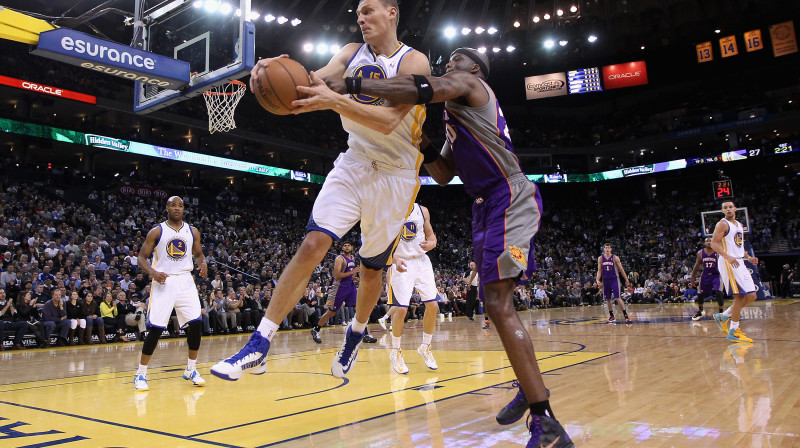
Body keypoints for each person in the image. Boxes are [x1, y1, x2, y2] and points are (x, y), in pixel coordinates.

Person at [308, 47, 572, 446]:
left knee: (498, 302)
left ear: (476, 70)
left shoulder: (470, 85)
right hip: (484, 205)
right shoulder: (457, 114)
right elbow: (445, 174)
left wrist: (350, 84)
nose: (450, 66)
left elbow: (422, 87)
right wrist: (423, 142)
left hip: (509, 197)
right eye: (448, 63)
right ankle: (531, 387)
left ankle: (544, 419)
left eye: (457, 61)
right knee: (496, 302)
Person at [211, 0, 431, 381]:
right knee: (313, 244)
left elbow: (389, 119)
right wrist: (273, 71)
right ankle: (259, 343)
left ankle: (357, 332)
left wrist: (335, 100)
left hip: (396, 177)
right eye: (358, 12)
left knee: (371, 267)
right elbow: (315, 82)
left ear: (392, 12)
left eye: (368, 10)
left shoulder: (414, 63)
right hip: (355, 161)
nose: (360, 18)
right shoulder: (350, 53)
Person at [134, 196, 209, 391]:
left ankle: (191, 369)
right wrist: (153, 272)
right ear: (167, 208)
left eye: (180, 205)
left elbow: (199, 253)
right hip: (164, 280)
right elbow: (141, 258)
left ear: (184, 209)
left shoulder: (192, 231)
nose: (177, 208)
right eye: (173, 205)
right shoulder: (157, 231)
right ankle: (140, 373)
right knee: (157, 329)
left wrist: (203, 263)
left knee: (195, 324)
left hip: (185, 280)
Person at [384, 203, 440, 374]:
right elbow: (381, 242)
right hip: (401, 261)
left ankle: (425, 347)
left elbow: (431, 236)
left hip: (422, 262)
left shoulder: (423, 211)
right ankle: (396, 352)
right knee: (400, 309)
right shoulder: (389, 210)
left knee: (433, 305)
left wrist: (432, 243)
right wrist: (393, 259)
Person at [710, 200, 757, 343]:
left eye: (730, 207)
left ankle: (723, 316)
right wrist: (728, 257)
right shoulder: (722, 224)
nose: (728, 209)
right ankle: (734, 330)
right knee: (740, 296)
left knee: (752, 295)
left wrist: (748, 257)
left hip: (739, 261)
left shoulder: (739, 225)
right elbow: (713, 243)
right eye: (725, 208)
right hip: (728, 262)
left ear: (735, 208)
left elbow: (739, 246)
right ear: (723, 211)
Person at [310, 242, 359, 343]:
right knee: (331, 312)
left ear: (352, 247)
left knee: (358, 308)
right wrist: (352, 272)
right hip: (339, 288)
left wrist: (354, 278)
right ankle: (316, 329)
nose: (346, 247)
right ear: (342, 247)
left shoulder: (352, 258)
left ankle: (364, 333)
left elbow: (349, 274)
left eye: (348, 245)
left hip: (350, 286)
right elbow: (337, 275)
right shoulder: (339, 259)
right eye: (345, 245)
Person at [689, 237, 725, 321]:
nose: (708, 242)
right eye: (707, 241)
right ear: (704, 243)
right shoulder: (700, 253)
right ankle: (700, 311)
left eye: (710, 241)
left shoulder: (718, 251)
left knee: (718, 292)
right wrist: (692, 277)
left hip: (716, 275)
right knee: (700, 293)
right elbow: (697, 266)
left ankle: (721, 313)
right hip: (705, 275)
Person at [596, 244, 632, 323]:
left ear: (611, 249)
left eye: (608, 247)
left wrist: (626, 279)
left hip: (614, 279)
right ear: (604, 249)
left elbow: (621, 269)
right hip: (605, 280)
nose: (607, 249)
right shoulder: (600, 258)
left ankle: (626, 315)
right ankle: (611, 315)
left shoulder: (615, 258)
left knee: (617, 297)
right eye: (606, 248)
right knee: (607, 298)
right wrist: (597, 279)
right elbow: (599, 270)